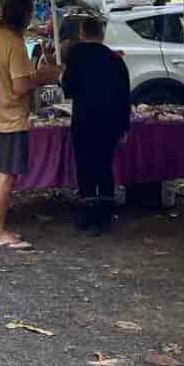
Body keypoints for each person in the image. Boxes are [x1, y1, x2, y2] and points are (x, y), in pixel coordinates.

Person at [0, 0, 60, 250]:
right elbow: (21, 85)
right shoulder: (14, 43)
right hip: (10, 117)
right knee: (6, 174)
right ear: (25, 14)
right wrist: (44, 75)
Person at [61, 16, 131, 236]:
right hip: (110, 120)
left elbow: (69, 89)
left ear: (81, 33)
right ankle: (106, 214)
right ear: (101, 34)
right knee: (104, 165)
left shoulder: (76, 56)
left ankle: (89, 215)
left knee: (86, 165)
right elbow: (124, 96)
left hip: (85, 118)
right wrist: (124, 126)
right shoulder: (115, 59)